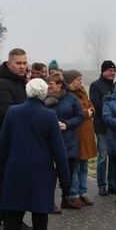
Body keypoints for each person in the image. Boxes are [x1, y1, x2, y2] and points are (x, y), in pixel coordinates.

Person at [0, 78, 70, 230]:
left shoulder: (13, 112)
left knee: (13, 211)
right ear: (44, 93)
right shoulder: (49, 116)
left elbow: (2, 144)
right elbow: (58, 149)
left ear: (27, 92)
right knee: (40, 211)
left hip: (15, 168)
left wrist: (0, 170)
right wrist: (65, 178)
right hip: (41, 169)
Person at [0, 48, 35, 230]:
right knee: (7, 185)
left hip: (22, 141)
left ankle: (16, 222)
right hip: (7, 142)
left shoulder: (21, 82)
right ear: (9, 64)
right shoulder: (1, 84)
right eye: (19, 63)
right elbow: (2, 110)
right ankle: (11, 227)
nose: (23, 67)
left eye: (25, 63)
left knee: (19, 186)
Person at [44, 71, 84, 210]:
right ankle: (50, 202)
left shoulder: (71, 99)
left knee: (67, 172)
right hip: (50, 142)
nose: (48, 86)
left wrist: (66, 124)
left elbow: (80, 116)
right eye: (47, 83)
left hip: (69, 141)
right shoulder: (44, 99)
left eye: (51, 84)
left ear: (60, 85)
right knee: (51, 174)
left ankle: (66, 199)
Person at [62, 69, 97, 207]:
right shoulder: (67, 95)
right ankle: (74, 194)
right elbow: (71, 110)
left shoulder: (83, 92)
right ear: (70, 81)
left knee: (84, 167)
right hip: (77, 135)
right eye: (78, 79)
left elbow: (91, 105)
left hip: (87, 135)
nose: (81, 82)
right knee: (75, 167)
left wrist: (91, 111)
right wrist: (86, 112)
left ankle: (83, 193)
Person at [89, 60, 116, 196]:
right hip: (102, 127)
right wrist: (111, 103)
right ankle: (101, 185)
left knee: (114, 156)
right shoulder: (95, 86)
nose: (112, 73)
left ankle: (112, 184)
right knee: (103, 157)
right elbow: (96, 103)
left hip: (115, 126)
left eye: (114, 71)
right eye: (109, 71)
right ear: (103, 71)